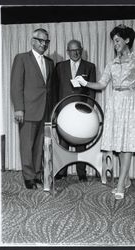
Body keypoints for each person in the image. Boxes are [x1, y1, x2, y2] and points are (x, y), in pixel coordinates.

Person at [75, 24, 135, 199]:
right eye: (113, 41)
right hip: (115, 104)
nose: (115, 44)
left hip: (131, 103)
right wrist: (84, 83)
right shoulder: (111, 63)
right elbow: (101, 84)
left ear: (127, 40)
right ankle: (125, 179)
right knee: (119, 144)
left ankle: (120, 184)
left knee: (127, 146)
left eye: (117, 40)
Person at [11, 28, 54, 189]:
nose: (44, 44)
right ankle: (28, 177)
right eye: (41, 40)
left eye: (47, 41)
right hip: (27, 111)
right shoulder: (21, 58)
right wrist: (18, 108)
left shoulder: (50, 62)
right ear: (33, 41)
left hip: (45, 111)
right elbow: (16, 85)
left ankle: (36, 174)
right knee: (27, 145)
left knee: (39, 146)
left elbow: (49, 88)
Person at [53, 39, 96, 182]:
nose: (75, 53)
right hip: (64, 111)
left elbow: (91, 91)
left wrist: (88, 110)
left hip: (81, 113)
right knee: (63, 142)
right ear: (68, 51)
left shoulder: (89, 67)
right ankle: (62, 170)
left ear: (81, 50)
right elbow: (55, 89)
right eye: (72, 50)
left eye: (77, 50)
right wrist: (56, 111)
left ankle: (81, 172)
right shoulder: (59, 66)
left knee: (81, 143)